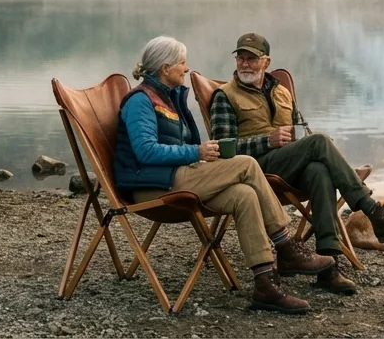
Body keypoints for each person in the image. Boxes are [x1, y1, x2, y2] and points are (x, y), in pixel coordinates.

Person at [113, 36, 334, 314]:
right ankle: (286, 246)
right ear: (165, 67)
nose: (186, 67)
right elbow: (145, 152)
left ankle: (265, 283)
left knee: (244, 194)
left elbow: (174, 147)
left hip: (176, 175)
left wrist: (199, 156)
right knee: (246, 164)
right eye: (182, 62)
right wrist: (197, 152)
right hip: (152, 184)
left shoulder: (170, 97)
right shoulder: (141, 101)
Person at [208, 31, 384, 295]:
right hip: (254, 169)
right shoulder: (225, 96)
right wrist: (268, 141)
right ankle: (375, 212)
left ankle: (328, 265)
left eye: (251, 59)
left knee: (320, 170)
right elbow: (222, 149)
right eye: (241, 58)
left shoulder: (281, 92)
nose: (244, 64)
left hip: (288, 165)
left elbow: (303, 131)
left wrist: (315, 143)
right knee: (320, 143)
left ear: (266, 61)